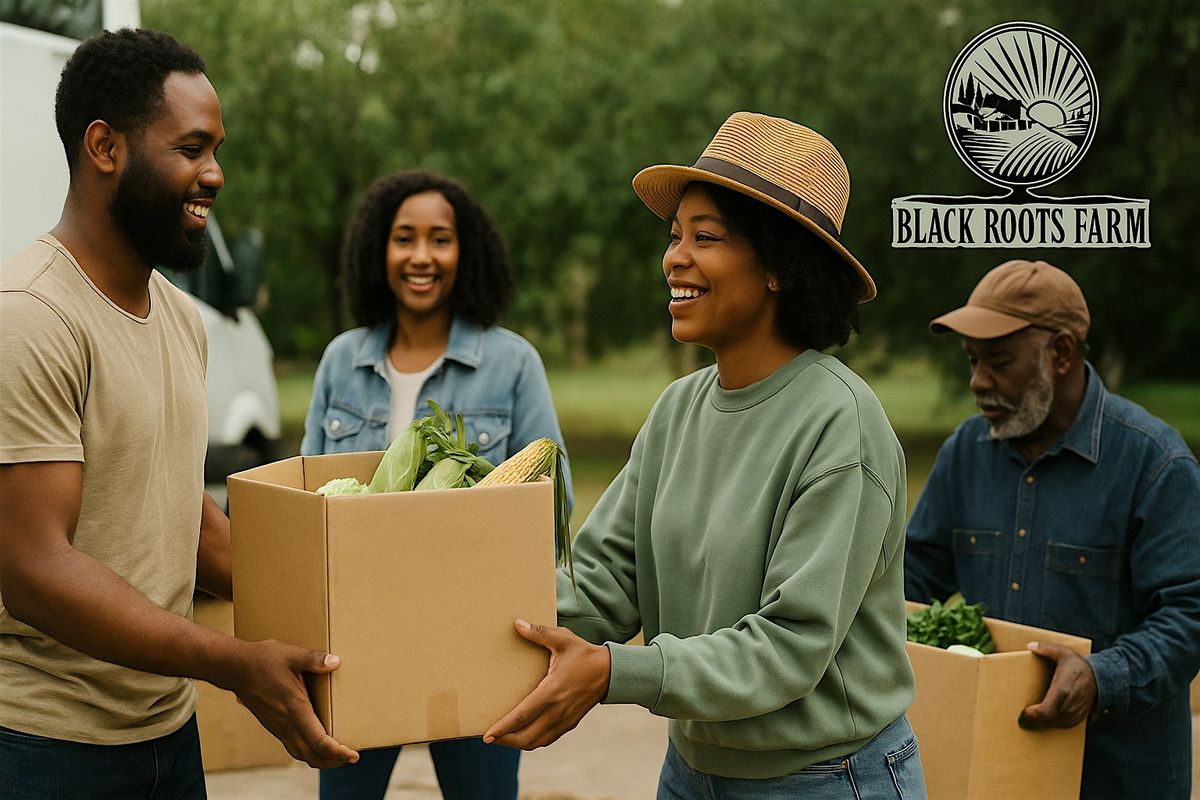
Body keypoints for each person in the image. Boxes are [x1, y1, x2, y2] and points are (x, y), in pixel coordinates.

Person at [483, 112, 926, 798]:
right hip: (694, 772)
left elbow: (790, 647)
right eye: (674, 237)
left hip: (826, 778)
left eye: (706, 237)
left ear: (779, 266)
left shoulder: (842, 426)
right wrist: (467, 614)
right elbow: (606, 579)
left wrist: (614, 673)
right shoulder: (677, 410)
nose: (674, 258)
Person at [0, 28, 358, 799]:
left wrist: (351, 591)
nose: (215, 175)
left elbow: (179, 518)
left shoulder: (182, 318)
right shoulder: (29, 316)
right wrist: (232, 663)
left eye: (217, 150)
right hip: (42, 748)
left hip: (167, 737)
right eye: (192, 149)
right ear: (105, 148)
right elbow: (34, 569)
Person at [303, 168, 572, 800]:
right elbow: (308, 504)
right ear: (379, 251)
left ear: (465, 252)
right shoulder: (341, 360)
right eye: (404, 238)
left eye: (440, 239)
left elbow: (551, 503)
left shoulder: (512, 364)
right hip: (358, 641)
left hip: (473, 639)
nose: (421, 256)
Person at [904, 259, 1200, 799]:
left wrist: (1102, 676)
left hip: (1119, 777)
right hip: (995, 770)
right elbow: (909, 579)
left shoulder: (1154, 464)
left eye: (998, 361)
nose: (977, 381)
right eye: (971, 361)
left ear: (1061, 353)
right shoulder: (964, 454)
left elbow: (1189, 614)